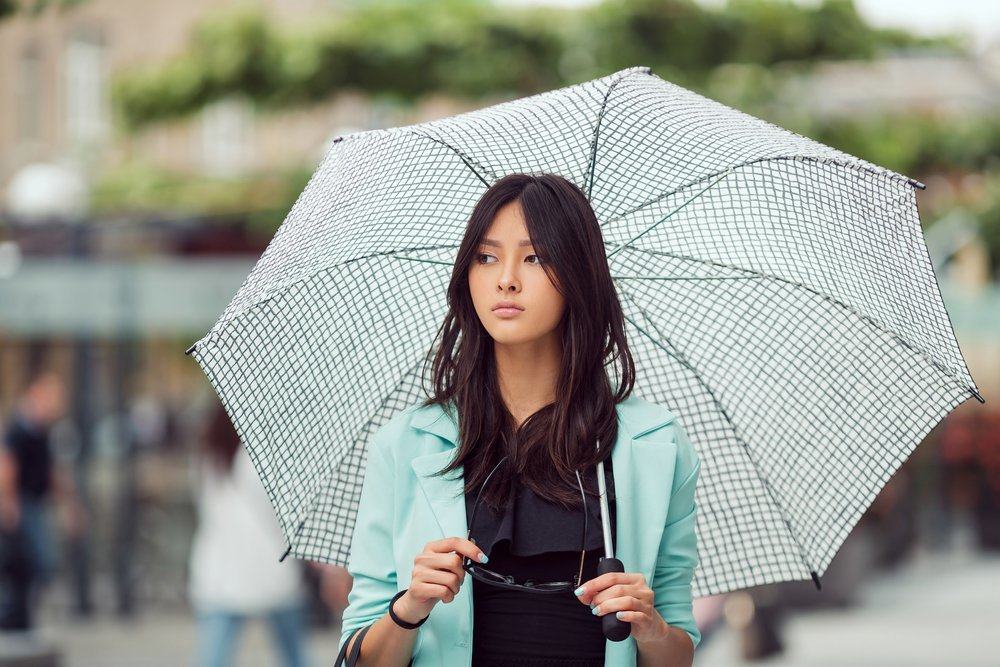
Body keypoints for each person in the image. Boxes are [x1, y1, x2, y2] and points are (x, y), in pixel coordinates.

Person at [338, 173, 702, 666]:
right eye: (486, 257)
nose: (505, 278)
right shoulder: (406, 445)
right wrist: (411, 606)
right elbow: (359, 657)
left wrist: (651, 627)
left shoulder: (654, 446)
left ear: (578, 275)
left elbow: (679, 655)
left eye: (535, 257)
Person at [187, 402, 310, 667]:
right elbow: (287, 509)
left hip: (221, 567)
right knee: (294, 653)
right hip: (268, 564)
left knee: (214, 654)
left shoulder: (208, 454)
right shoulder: (265, 454)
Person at [0, 370, 84, 632]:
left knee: (35, 563)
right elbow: (7, 464)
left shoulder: (42, 432)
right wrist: (9, 500)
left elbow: (51, 473)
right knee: (31, 559)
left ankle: (18, 615)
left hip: (35, 502)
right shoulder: (20, 427)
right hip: (24, 503)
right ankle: (12, 613)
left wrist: (70, 504)